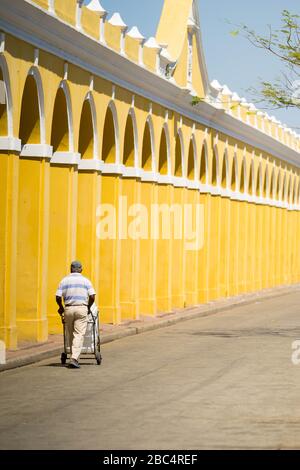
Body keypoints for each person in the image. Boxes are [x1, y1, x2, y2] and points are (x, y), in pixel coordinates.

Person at [56, 260, 96, 369]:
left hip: (68, 309)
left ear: (70, 269)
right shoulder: (86, 281)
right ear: (81, 269)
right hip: (81, 308)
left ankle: (72, 356)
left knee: (70, 333)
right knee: (79, 334)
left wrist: (61, 307)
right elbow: (92, 296)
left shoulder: (64, 281)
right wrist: (88, 307)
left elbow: (58, 297)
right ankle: (74, 358)